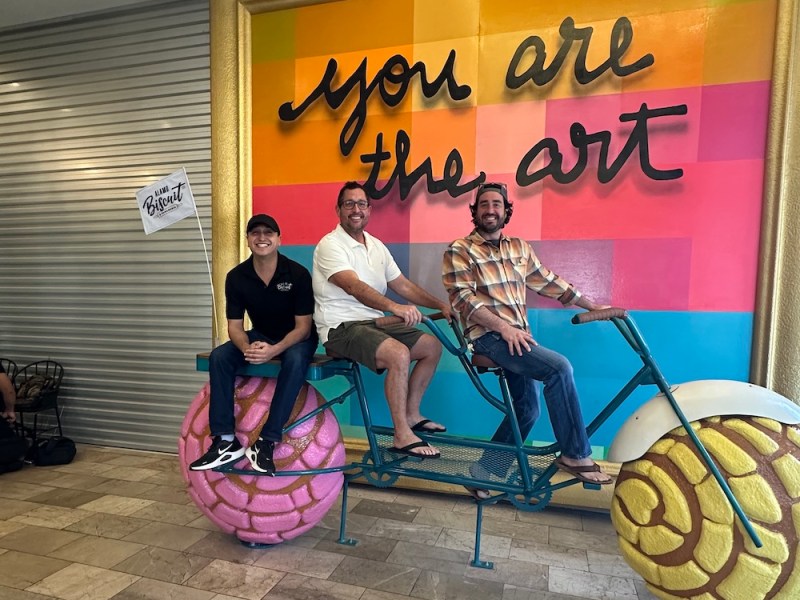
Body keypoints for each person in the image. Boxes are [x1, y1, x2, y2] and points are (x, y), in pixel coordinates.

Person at [442, 182, 612, 497]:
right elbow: (462, 299)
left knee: (527, 411)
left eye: (496, 204)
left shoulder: (519, 247)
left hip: (517, 338)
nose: (490, 209)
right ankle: (575, 454)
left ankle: (483, 473)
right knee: (559, 369)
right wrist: (503, 328)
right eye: (484, 204)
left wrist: (593, 305)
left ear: (506, 211)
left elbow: (548, 281)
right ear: (475, 212)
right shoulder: (460, 249)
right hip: (489, 338)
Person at [312, 181, 452, 459]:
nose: (355, 209)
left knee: (431, 347)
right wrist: (394, 308)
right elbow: (354, 286)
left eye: (361, 204)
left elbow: (403, 285)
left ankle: (412, 415)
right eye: (349, 204)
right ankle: (402, 435)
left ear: (369, 209)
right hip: (341, 329)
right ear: (338, 210)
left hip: (373, 323)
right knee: (398, 353)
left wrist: (442, 305)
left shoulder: (376, 246)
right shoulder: (330, 245)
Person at [190, 214, 317, 475]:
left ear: (279, 239)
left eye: (268, 233)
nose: (262, 238)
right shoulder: (236, 277)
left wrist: (274, 350)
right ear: (248, 240)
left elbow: (303, 328)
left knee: (293, 361)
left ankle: (267, 442)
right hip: (259, 335)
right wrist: (247, 346)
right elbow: (235, 328)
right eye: (255, 233)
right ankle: (225, 440)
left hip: (296, 338)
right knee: (220, 357)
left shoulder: (298, 274)